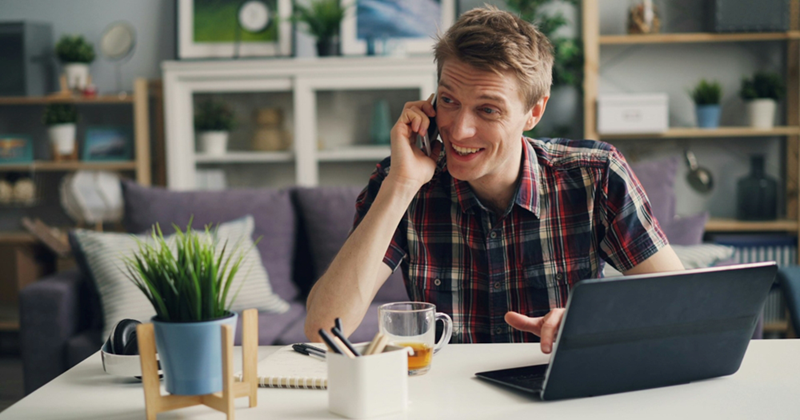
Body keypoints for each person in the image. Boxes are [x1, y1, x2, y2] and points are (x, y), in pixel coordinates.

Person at [305, 6, 684, 353]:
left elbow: (681, 304)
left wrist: (593, 324)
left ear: (534, 112)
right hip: (448, 399)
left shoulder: (595, 176)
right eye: (449, 101)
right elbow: (324, 326)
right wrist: (401, 185)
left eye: (488, 109)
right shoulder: (403, 181)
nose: (459, 130)